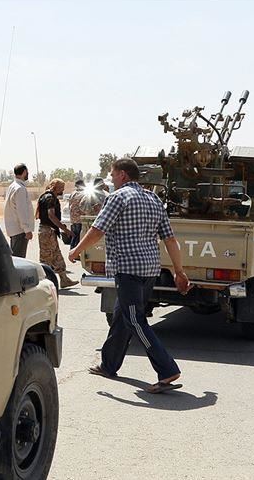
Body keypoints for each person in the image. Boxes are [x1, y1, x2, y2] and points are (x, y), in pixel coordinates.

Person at [69, 159, 190, 393]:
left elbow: (97, 230)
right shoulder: (153, 199)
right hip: (149, 270)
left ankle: (167, 369)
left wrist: (76, 250)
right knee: (122, 316)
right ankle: (109, 365)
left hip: (128, 270)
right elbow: (170, 239)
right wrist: (179, 271)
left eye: (113, 175)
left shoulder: (118, 198)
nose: (111, 179)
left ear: (123, 175)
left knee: (135, 320)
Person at [37, 178, 78, 288]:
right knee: (46, 258)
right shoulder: (50, 198)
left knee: (57, 256)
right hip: (47, 231)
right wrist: (65, 229)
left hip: (49, 231)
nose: (62, 191)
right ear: (56, 187)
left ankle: (64, 279)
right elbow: (51, 215)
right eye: (61, 188)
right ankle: (43, 283)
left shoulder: (45, 196)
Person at [4, 163, 34, 258]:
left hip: (14, 229)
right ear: (24, 172)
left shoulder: (12, 186)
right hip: (20, 231)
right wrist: (27, 230)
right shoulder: (20, 189)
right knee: (19, 259)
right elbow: (21, 211)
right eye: (27, 172)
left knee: (15, 258)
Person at [68, 180, 86, 249]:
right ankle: (75, 251)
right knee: (78, 236)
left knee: (74, 235)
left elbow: (70, 205)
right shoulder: (83, 194)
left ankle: (72, 249)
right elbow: (83, 206)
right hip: (80, 218)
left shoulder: (73, 193)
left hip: (73, 218)